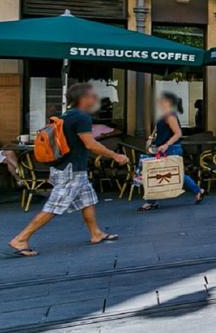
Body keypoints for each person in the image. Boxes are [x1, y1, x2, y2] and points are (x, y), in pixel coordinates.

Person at [7, 83, 128, 257]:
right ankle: (21, 238)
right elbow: (90, 144)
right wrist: (115, 156)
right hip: (71, 170)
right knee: (55, 206)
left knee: (87, 199)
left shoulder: (66, 115)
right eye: (93, 96)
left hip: (66, 167)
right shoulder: (81, 117)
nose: (96, 100)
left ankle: (96, 233)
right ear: (84, 98)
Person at [138, 93, 206, 210]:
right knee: (160, 173)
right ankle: (152, 201)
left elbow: (178, 133)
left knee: (175, 173)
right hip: (166, 148)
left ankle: (198, 190)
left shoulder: (170, 116)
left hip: (171, 148)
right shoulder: (165, 115)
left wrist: (165, 144)